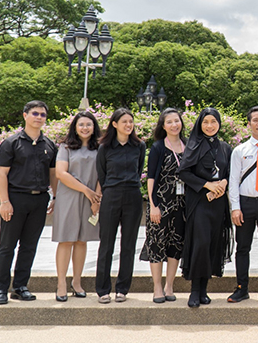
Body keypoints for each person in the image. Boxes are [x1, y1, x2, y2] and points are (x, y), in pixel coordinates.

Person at [0, 100, 58, 305]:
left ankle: (20, 286)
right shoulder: (12, 143)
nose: (39, 117)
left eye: (43, 115)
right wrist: (4, 202)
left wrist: (55, 197)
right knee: (7, 245)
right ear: (25, 115)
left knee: (29, 246)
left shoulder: (49, 145)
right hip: (15, 199)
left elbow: (53, 173)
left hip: (39, 199)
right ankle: (0, 289)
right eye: (35, 113)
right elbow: (2, 174)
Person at [178, 107, 233, 308]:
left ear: (219, 124)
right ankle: (194, 290)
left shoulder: (225, 148)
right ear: (200, 125)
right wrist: (207, 184)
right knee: (200, 244)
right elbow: (183, 172)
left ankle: (204, 290)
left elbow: (229, 172)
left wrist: (223, 183)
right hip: (199, 202)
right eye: (206, 122)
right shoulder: (193, 145)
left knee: (211, 244)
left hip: (218, 203)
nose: (210, 126)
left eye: (213, 122)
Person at [95, 107, 146, 304]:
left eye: (130, 121)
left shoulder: (139, 146)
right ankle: (103, 289)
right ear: (114, 124)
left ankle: (122, 288)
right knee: (106, 243)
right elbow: (102, 173)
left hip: (133, 195)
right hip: (111, 194)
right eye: (124, 121)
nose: (128, 125)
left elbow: (139, 169)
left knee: (128, 243)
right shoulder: (105, 147)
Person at [228, 106, 258, 304]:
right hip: (245, 203)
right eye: (255, 120)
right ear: (248, 124)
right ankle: (241, 288)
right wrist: (235, 207)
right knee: (243, 247)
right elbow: (233, 180)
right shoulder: (240, 150)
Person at [53, 111, 102, 302]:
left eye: (89, 125)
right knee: (66, 240)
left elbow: (102, 174)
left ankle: (77, 282)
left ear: (94, 127)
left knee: (82, 241)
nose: (85, 128)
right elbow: (61, 173)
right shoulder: (66, 147)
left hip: (91, 198)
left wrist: (96, 198)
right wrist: (86, 191)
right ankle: (61, 284)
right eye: (81, 124)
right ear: (75, 127)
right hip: (69, 197)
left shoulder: (99, 148)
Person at [140, 108, 186, 304]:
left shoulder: (188, 145)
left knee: (176, 245)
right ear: (163, 126)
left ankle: (169, 285)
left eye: (177, 121)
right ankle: (157, 286)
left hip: (182, 204)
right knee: (157, 244)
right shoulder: (158, 147)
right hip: (160, 203)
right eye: (169, 122)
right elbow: (151, 178)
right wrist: (153, 205)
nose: (174, 125)